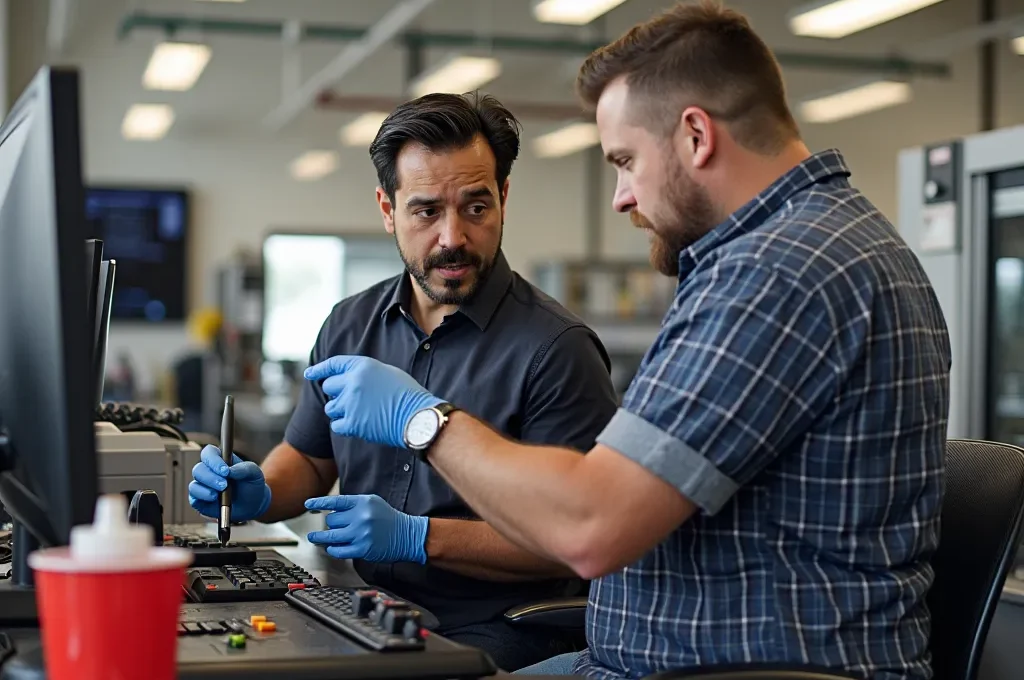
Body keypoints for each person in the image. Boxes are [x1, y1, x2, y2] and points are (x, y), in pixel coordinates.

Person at [297, 2, 953, 679]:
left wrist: (422, 421)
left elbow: (588, 527)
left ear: (696, 136)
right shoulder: (806, 246)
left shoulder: (779, 271)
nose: (619, 196)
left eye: (626, 160)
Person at [188, 93, 620, 671]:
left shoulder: (556, 350)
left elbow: (573, 539)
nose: (452, 237)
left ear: (503, 199)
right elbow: (311, 460)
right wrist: (260, 492)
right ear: (387, 210)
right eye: (425, 211)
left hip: (496, 628)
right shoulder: (349, 323)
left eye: (475, 207)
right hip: (363, 606)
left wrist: (418, 536)